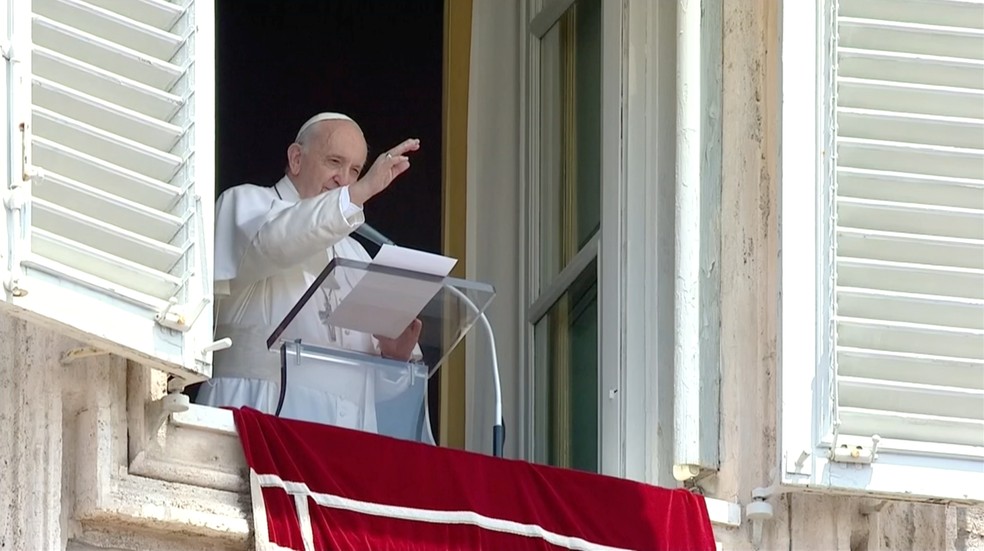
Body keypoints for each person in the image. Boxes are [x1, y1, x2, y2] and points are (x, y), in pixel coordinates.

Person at [196, 112, 424, 433]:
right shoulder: (245, 204)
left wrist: (393, 358)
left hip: (343, 441)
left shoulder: (355, 254)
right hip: (255, 418)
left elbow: (374, 389)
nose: (344, 179)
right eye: (335, 162)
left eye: (355, 171)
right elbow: (279, 241)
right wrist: (361, 191)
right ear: (296, 158)